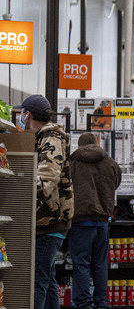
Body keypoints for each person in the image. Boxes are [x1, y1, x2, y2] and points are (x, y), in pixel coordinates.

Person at [17, 95, 74, 309]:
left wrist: (20, 197)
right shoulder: (41, 137)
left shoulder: (50, 138)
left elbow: (46, 180)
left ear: (27, 114)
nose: (20, 117)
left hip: (51, 220)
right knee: (48, 280)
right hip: (47, 220)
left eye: (22, 113)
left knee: (37, 281)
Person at [69, 132, 122, 309]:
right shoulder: (110, 162)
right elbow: (117, 182)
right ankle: (101, 302)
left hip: (81, 222)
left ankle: (83, 303)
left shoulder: (73, 162)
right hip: (102, 222)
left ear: (79, 146)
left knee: (81, 263)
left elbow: (65, 185)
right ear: (96, 143)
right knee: (100, 265)